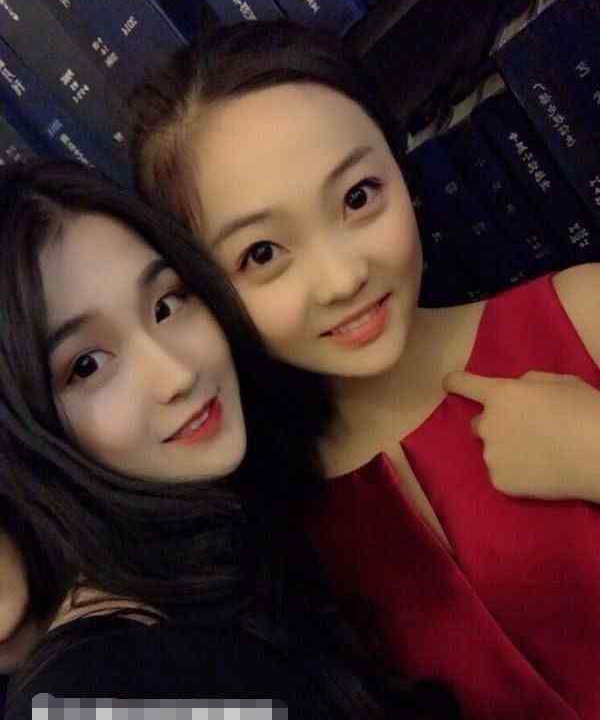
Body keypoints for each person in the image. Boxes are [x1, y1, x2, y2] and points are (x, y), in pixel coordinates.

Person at [130, 19, 600, 719]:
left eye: (357, 197)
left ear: (399, 165)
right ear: (204, 290)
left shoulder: (584, 315)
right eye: (262, 254)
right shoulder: (276, 548)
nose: (343, 277)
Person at [0, 160, 459, 720]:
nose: (177, 374)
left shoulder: (243, 533)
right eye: (88, 365)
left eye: (166, 305)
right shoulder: (92, 697)